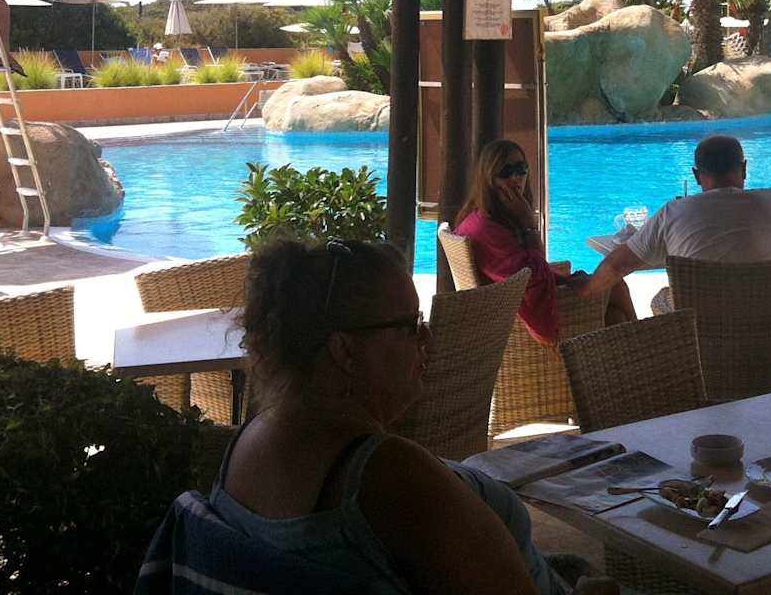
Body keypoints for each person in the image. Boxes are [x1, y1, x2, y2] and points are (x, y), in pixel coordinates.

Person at [203, 237, 615, 594]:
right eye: (409, 326)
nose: (427, 339)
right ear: (345, 350)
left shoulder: (251, 441)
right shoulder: (387, 478)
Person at [582, 134, 771, 300]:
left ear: (697, 176)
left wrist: (582, 296)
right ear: (744, 168)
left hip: (699, 336)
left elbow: (616, 266)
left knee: (656, 298)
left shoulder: (673, 213)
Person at [454, 140, 635, 341]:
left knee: (615, 317)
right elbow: (532, 277)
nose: (516, 177)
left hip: (512, 310)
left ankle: (631, 353)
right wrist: (529, 226)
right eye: (506, 172)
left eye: (521, 169)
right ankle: (645, 347)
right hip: (522, 319)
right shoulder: (487, 231)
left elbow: (528, 269)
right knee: (615, 285)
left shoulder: (480, 219)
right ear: (489, 178)